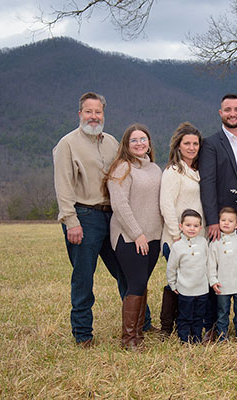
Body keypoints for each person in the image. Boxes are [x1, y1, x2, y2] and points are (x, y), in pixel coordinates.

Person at [53, 92, 153, 347]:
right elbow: (63, 185)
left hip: (112, 217)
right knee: (84, 277)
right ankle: (83, 334)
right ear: (80, 114)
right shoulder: (68, 144)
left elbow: (130, 168)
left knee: (125, 271)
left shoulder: (111, 142)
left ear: (103, 114)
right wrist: (70, 221)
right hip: (84, 216)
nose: (93, 116)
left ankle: (142, 324)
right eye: (89, 111)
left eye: (98, 112)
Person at [199, 93, 237, 342]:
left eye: (236, 109)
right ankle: (215, 326)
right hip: (222, 220)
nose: (232, 113)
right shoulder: (211, 143)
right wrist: (213, 220)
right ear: (220, 113)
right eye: (227, 110)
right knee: (219, 270)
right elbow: (208, 182)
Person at [104, 123, 163, 350]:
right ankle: (129, 339)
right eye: (134, 140)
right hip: (130, 238)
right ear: (126, 145)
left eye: (143, 139)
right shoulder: (121, 168)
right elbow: (120, 205)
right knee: (136, 283)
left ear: (149, 143)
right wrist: (137, 234)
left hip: (153, 237)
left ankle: (139, 332)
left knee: (142, 283)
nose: (139, 143)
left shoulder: (155, 169)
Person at [158, 122, 204, 336]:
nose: (192, 147)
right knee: (176, 281)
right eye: (187, 143)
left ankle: (189, 323)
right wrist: (176, 236)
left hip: (196, 238)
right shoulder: (173, 171)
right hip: (176, 239)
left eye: (195, 143)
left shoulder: (196, 170)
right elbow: (166, 204)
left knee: (192, 280)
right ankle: (167, 327)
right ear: (178, 145)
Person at [207, 207, 237, 342]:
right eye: (223, 220)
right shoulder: (215, 243)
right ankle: (222, 337)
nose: (226, 223)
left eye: (230, 221)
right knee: (222, 312)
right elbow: (211, 265)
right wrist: (213, 280)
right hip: (222, 285)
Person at [166, 209, 209, 344]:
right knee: (185, 316)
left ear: (200, 228)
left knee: (198, 316)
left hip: (202, 289)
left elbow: (208, 263)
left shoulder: (203, 243)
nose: (192, 229)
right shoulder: (177, 247)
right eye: (188, 225)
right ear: (181, 226)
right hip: (185, 289)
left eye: (196, 226)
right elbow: (171, 268)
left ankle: (196, 338)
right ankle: (184, 339)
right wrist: (173, 284)